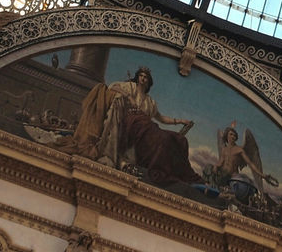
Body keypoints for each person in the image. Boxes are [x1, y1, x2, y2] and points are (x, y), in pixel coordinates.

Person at [69, 68, 197, 185]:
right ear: (137, 77)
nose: (142, 78)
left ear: (148, 82)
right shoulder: (130, 87)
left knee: (173, 139)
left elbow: (161, 118)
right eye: (141, 76)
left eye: (145, 77)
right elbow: (113, 87)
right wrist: (127, 95)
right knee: (158, 136)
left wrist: (180, 121)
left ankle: (174, 165)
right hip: (130, 125)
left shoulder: (150, 102)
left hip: (146, 127)